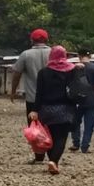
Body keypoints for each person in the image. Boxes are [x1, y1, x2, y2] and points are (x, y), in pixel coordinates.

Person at [33, 46, 83, 175]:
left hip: (47, 109)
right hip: (65, 108)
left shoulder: (43, 72)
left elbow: (39, 93)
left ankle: (52, 160)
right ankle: (54, 161)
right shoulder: (72, 70)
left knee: (50, 137)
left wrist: (35, 110)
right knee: (61, 137)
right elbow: (77, 87)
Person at [10, 28, 52, 163]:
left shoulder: (26, 55)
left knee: (35, 128)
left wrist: (13, 90)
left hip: (32, 99)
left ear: (32, 40)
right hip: (52, 97)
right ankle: (53, 156)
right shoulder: (53, 53)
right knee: (51, 126)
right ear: (46, 39)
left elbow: (16, 73)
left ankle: (39, 156)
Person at [71, 49, 94, 153]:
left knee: (75, 121)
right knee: (89, 124)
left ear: (79, 56)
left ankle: (76, 143)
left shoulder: (74, 68)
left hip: (77, 100)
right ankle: (85, 146)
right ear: (90, 56)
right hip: (91, 100)